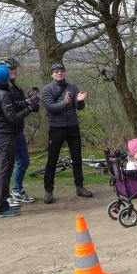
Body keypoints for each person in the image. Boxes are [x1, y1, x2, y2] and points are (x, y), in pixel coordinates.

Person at [0, 64, 34, 218]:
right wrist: (29, 109)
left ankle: (1, 204)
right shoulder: (3, 94)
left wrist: (26, 102)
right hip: (5, 138)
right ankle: (1, 208)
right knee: (4, 174)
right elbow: (13, 118)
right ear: (6, 79)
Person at [40, 62, 93, 204]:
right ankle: (48, 191)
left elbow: (79, 107)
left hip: (73, 127)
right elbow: (50, 108)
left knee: (77, 158)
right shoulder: (47, 89)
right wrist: (65, 102)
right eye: (56, 71)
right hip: (56, 128)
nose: (59, 73)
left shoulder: (72, 87)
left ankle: (80, 187)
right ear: (52, 74)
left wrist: (80, 101)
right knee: (52, 159)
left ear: (64, 73)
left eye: (62, 71)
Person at [0, 57, 39, 206]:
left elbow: (19, 105)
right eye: (11, 68)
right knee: (7, 166)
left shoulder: (14, 87)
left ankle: (16, 191)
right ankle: (5, 196)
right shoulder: (3, 89)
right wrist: (28, 106)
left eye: (15, 68)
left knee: (23, 162)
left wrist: (30, 101)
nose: (14, 70)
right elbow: (11, 111)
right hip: (7, 133)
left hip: (18, 131)